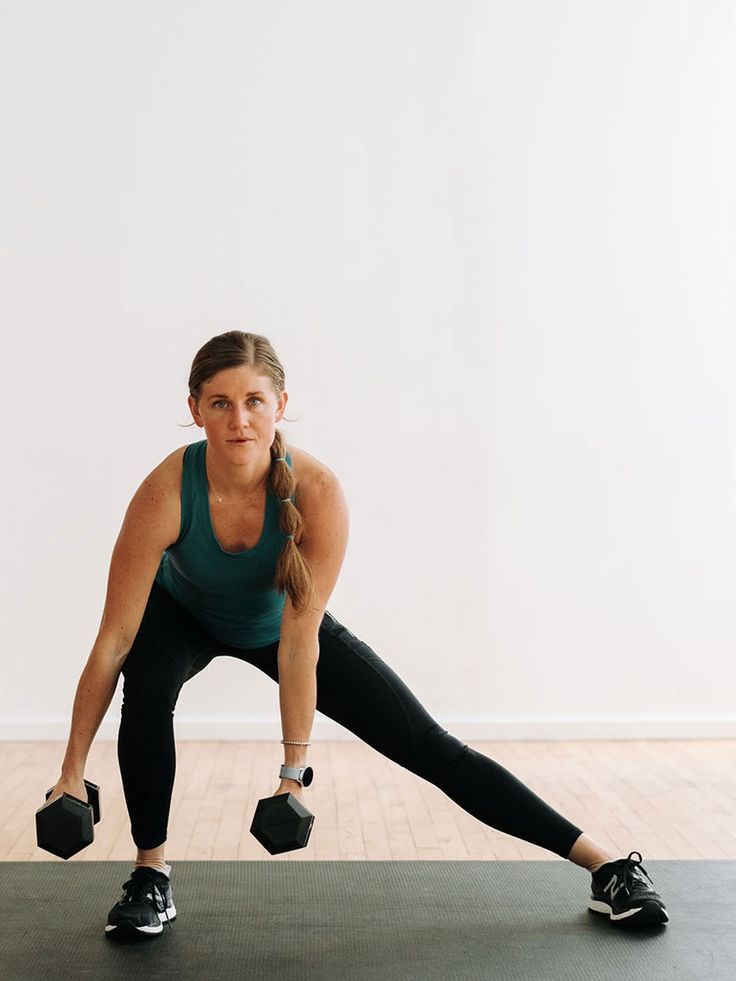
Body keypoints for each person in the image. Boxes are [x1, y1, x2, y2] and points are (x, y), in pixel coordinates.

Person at [47, 330, 668, 938]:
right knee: (147, 688)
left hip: (284, 628)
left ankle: (606, 865)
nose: (239, 420)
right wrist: (72, 769)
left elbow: (296, 641)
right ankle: (149, 875)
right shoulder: (166, 490)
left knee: (427, 744)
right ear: (195, 410)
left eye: (254, 401)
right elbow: (113, 640)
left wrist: (293, 772)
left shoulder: (317, 493)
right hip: (180, 616)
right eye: (220, 403)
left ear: (280, 406)